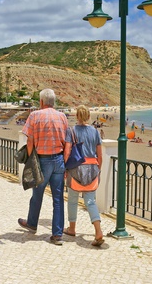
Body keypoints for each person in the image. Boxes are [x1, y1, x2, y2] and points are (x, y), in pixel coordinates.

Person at [17, 89, 70, 246]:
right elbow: (67, 143)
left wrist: (30, 159)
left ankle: (32, 223)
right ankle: (57, 234)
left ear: (41, 102)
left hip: (42, 160)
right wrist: (65, 163)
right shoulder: (62, 117)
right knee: (58, 198)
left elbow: (30, 141)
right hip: (59, 160)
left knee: (37, 193)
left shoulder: (35, 116)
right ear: (53, 102)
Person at [64, 105, 104, 247]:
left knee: (73, 200)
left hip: (76, 168)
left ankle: (72, 228)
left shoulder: (72, 131)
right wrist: (98, 169)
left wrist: (65, 168)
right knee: (90, 201)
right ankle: (98, 231)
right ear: (88, 116)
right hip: (92, 168)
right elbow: (99, 155)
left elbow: (68, 151)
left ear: (77, 116)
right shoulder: (95, 132)